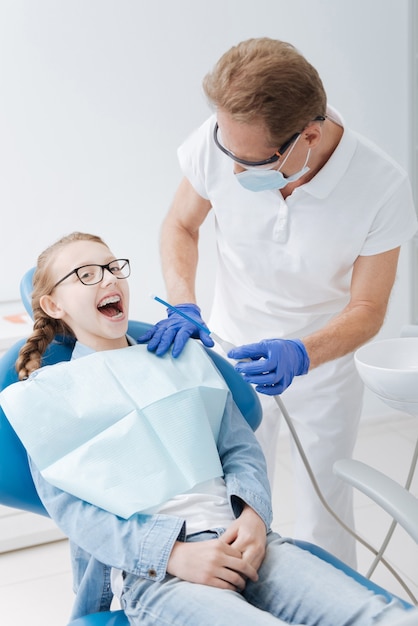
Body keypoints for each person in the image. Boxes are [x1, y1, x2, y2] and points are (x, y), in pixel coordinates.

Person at [2, 230, 414, 626]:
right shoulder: (46, 399)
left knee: (384, 617)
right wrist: (174, 556)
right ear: (53, 306)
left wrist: (254, 517)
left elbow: (240, 448)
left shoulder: (180, 358)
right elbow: (79, 515)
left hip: (248, 542)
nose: (108, 277)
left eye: (113, 267)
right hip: (159, 575)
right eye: (86, 274)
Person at [138, 37, 418, 567]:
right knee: (230, 504)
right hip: (228, 348)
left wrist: (301, 352)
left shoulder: (381, 186)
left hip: (320, 364)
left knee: (323, 512)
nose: (235, 172)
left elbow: (368, 310)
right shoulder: (220, 140)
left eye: (250, 161)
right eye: (227, 153)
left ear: (307, 135)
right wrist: (183, 303)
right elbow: (180, 224)